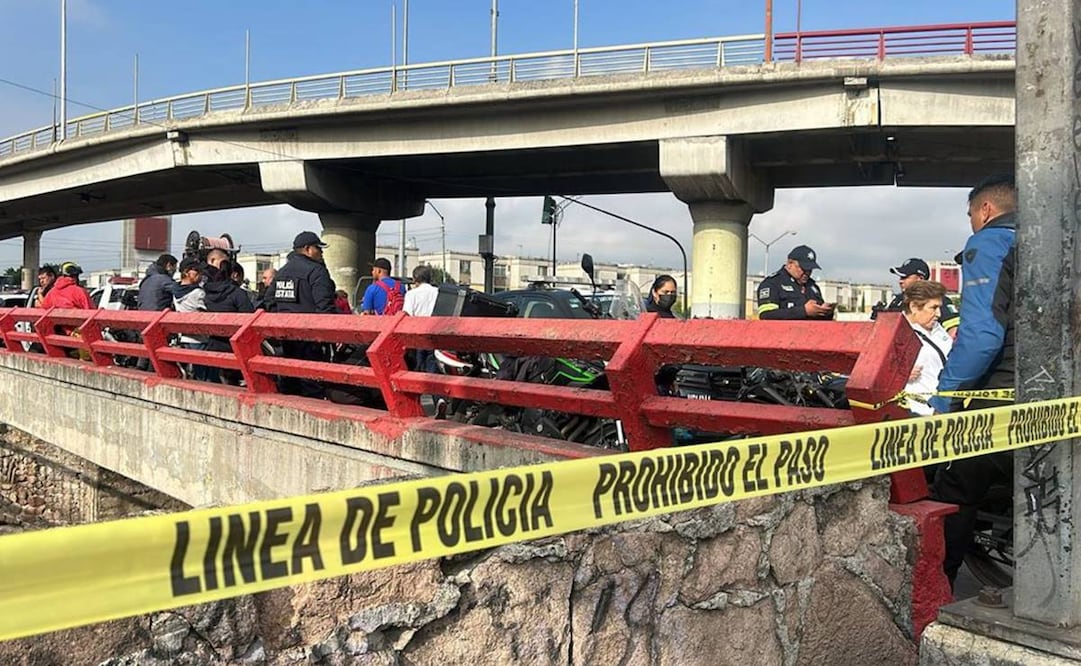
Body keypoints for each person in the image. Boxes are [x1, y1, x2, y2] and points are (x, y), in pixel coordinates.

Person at [928, 174, 1016, 587]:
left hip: (1006, 394)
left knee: (956, 484)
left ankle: (933, 596)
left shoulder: (990, 241)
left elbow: (981, 337)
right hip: (1060, 396)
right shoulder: (1062, 239)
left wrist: (946, 393)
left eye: (970, 216)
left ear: (985, 210)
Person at [268, 231, 337, 397]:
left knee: (289, 383)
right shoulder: (316, 271)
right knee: (312, 385)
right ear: (307, 249)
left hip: (286, 339)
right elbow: (325, 307)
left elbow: (269, 303)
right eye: (318, 248)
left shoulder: (281, 273)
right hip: (311, 340)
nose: (321, 252)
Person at [900, 280, 953, 417]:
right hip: (915, 414)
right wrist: (899, 375)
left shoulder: (938, 329)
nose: (939, 314)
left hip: (944, 411)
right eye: (933, 308)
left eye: (939, 307)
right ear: (913, 307)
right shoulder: (894, 333)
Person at [872, 258, 960, 336]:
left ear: (920, 279)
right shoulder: (897, 300)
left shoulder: (938, 300)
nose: (900, 281)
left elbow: (954, 329)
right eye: (900, 277)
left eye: (905, 277)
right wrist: (880, 318)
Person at [203, 258, 255, 385]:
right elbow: (250, 320)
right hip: (235, 349)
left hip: (213, 346)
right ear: (235, 275)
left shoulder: (207, 294)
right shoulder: (238, 294)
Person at [756, 245, 834, 320]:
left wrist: (826, 312)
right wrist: (803, 311)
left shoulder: (812, 287)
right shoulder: (772, 283)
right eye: (803, 268)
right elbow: (766, 315)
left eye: (810, 269)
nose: (807, 273)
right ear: (790, 264)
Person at [404, 265, 440, 374]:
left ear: (415, 278)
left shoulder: (411, 294)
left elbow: (407, 314)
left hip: (417, 334)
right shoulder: (437, 292)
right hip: (434, 332)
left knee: (418, 366)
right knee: (432, 364)